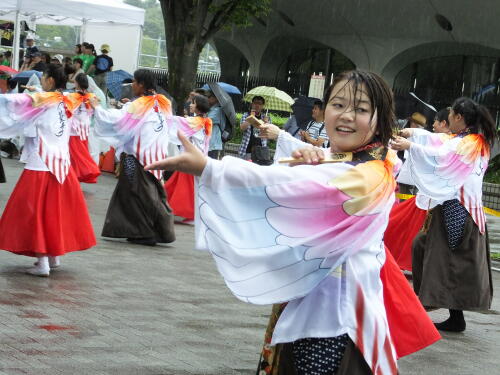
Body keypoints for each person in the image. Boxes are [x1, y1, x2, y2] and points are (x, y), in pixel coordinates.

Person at [145, 70, 440, 374]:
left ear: (381, 119)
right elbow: (318, 170)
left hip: (335, 319)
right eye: (337, 104)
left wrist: (211, 169)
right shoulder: (363, 159)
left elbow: (291, 185)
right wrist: (314, 156)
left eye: (361, 109)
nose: (347, 115)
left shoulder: (370, 175)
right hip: (315, 302)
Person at [391, 97, 496, 332]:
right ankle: (435, 304)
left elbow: (442, 156)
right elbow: (439, 140)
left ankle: (445, 311)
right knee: (425, 248)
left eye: (450, 115)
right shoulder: (465, 140)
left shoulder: (471, 143)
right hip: (455, 208)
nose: (447, 119)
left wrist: (410, 146)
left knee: (448, 260)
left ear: (458, 117)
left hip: (460, 211)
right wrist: (412, 133)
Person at [0, 64, 96, 276]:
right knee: (54, 212)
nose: (42, 80)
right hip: (62, 164)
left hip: (41, 163)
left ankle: (43, 261)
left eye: (43, 77)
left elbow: (13, 103)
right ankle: (53, 257)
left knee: (35, 213)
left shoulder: (44, 100)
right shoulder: (68, 100)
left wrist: (34, 96)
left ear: (50, 80)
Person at [90, 69, 176, 246]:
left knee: (137, 194)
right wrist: (130, 106)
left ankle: (145, 232)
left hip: (136, 157)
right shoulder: (164, 101)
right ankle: (154, 231)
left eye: (135, 82)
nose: (133, 85)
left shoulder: (139, 104)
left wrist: (96, 107)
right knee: (147, 194)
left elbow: (116, 119)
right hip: (157, 156)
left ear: (142, 84)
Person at [385, 107, 452, 271]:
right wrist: (411, 134)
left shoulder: (455, 143)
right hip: (426, 197)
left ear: (444, 123)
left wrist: (410, 142)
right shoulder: (442, 138)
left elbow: (431, 148)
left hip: (436, 200)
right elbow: (427, 137)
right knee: (396, 224)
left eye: (436, 121)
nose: (434, 124)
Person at [164, 94, 212, 223]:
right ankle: (170, 207)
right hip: (196, 157)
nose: (190, 105)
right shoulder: (206, 121)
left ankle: (187, 212)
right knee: (185, 186)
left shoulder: (195, 121)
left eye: (193, 103)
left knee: (185, 187)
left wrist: (163, 113)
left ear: (198, 107)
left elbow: (175, 122)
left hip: (190, 158)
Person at [67, 73, 101, 183]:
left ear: (76, 83)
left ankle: (90, 170)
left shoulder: (72, 96)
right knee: (80, 154)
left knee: (77, 155)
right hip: (84, 129)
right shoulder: (91, 97)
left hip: (74, 130)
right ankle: (75, 176)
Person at [238, 96, 270, 161]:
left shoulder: (266, 117)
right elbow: (242, 128)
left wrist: (266, 123)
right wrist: (251, 118)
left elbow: (269, 134)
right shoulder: (246, 115)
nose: (257, 105)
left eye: (260, 103)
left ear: (263, 106)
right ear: (252, 104)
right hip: (246, 149)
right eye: (255, 103)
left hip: (261, 151)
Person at [206, 91, 225, 159]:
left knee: (211, 164)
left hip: (213, 143)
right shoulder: (211, 109)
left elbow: (206, 120)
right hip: (210, 142)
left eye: (209, 97)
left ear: (216, 98)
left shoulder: (217, 110)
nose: (207, 99)